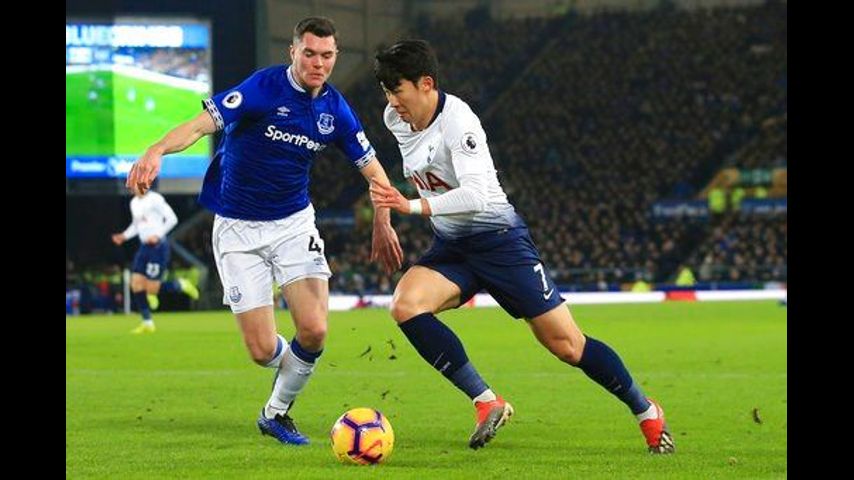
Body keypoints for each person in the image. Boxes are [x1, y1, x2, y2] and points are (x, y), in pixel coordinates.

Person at [369, 40, 674, 454]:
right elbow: (388, 173)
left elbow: (476, 195)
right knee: (406, 305)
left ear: (426, 83)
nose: (391, 101)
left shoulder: (459, 123)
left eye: (397, 90)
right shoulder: (395, 119)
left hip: (500, 242)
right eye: (386, 91)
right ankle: (486, 401)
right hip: (453, 245)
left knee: (567, 346)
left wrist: (409, 206)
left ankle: (646, 410)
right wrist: (384, 217)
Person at [125, 17, 403, 446]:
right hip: (237, 229)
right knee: (260, 352)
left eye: (326, 55)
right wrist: (157, 148)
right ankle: (297, 367)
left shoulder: (335, 110)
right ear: (293, 52)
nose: (318, 63)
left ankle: (275, 413)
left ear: (336, 56)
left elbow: (374, 171)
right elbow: (200, 125)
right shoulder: (262, 88)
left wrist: (382, 221)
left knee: (314, 330)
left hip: (293, 224)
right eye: (309, 53)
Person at [111, 190, 200, 333]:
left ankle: (180, 285)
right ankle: (147, 322)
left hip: (158, 247)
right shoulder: (134, 202)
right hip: (144, 247)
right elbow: (136, 225)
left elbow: (172, 219)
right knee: (136, 284)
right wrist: (124, 236)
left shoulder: (155, 198)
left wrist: (157, 235)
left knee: (151, 288)